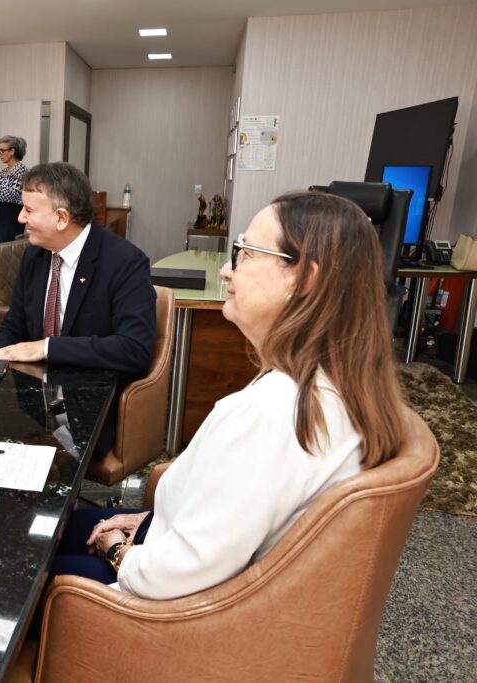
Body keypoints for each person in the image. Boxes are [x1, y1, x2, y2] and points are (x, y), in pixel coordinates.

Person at [59, 191, 407, 599]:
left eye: (245, 252)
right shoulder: (331, 382)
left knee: (6, 565)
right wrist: (152, 522)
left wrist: (117, 548)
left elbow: (175, 573)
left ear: (303, 279)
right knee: (51, 527)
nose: (226, 270)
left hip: (153, 608)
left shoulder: (272, 414)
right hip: (185, 557)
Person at [0, 162, 156, 455]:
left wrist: (49, 348)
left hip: (89, 409)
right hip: (33, 402)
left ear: (61, 218)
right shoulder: (34, 257)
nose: (20, 217)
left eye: (28, 209)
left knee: (38, 477)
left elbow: (134, 349)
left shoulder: (124, 262)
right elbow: (13, 325)